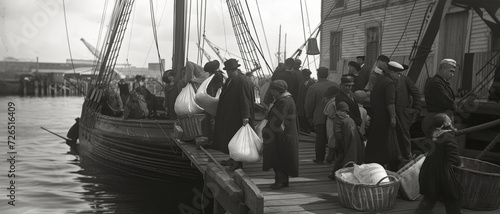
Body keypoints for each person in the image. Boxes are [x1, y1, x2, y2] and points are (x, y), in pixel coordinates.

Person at [415, 113, 462, 214]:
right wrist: (459, 163)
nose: (450, 121)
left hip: (428, 169)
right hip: (441, 172)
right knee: (452, 196)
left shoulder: (432, 134)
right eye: (449, 120)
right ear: (444, 124)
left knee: (430, 196)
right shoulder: (448, 137)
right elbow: (453, 156)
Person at [213, 58, 255, 171]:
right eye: (228, 71)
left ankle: (238, 162)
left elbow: (245, 99)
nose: (230, 73)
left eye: (232, 70)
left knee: (238, 140)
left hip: (237, 116)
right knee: (231, 139)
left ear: (237, 69)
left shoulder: (242, 81)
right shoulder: (231, 80)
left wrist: (245, 116)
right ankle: (232, 158)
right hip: (230, 115)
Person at [364, 59, 401, 171]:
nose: (399, 76)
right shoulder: (389, 83)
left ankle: (371, 161)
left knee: (375, 139)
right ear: (392, 72)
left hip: (376, 115)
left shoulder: (381, 80)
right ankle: (382, 165)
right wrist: (393, 117)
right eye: (398, 74)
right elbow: (390, 102)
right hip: (384, 118)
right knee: (385, 142)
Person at [262, 80, 299, 189]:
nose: (272, 93)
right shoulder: (289, 99)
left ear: (278, 91)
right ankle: (284, 181)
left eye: (273, 91)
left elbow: (277, 120)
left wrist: (266, 131)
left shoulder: (282, 102)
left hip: (280, 134)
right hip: (287, 133)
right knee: (284, 157)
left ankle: (280, 181)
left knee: (277, 157)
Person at [305, 67, 338, 164]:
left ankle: (319, 158)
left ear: (318, 75)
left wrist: (309, 116)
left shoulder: (313, 87)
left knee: (320, 139)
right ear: (327, 74)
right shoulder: (335, 85)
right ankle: (333, 157)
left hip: (320, 117)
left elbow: (308, 105)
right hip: (333, 117)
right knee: (334, 138)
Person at [391, 61, 422, 162]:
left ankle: (406, 157)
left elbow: (416, 93)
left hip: (402, 114)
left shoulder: (405, 80)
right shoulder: (387, 80)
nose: (398, 74)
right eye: (396, 72)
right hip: (390, 112)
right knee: (391, 136)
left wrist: (416, 108)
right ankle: (394, 158)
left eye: (400, 72)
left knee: (404, 136)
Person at [328, 102, 366, 179]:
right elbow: (338, 133)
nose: (343, 113)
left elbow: (339, 133)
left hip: (350, 141)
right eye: (342, 111)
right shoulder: (344, 120)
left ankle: (338, 174)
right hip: (350, 142)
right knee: (348, 158)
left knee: (346, 158)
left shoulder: (342, 119)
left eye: (345, 111)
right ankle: (337, 174)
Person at [422, 59, 458, 138]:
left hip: (441, 120)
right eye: (451, 71)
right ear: (443, 68)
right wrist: (454, 105)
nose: (452, 74)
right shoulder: (436, 82)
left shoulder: (440, 82)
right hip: (438, 121)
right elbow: (447, 101)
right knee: (442, 145)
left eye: (453, 72)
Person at [202, 60, 224, 145]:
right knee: (215, 120)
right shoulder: (220, 75)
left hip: (211, 101)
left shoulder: (213, 77)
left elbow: (210, 90)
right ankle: (215, 139)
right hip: (217, 101)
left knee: (210, 120)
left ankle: (211, 139)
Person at [323, 85, 341, 163]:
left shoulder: (330, 101)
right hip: (333, 122)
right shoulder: (333, 102)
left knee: (331, 138)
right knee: (332, 138)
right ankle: (331, 156)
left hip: (331, 122)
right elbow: (331, 114)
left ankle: (331, 156)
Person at [297, 69, 316, 133]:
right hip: (302, 102)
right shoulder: (302, 82)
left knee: (308, 115)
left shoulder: (312, 82)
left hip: (308, 101)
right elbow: (299, 93)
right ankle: (303, 127)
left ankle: (309, 128)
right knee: (302, 115)